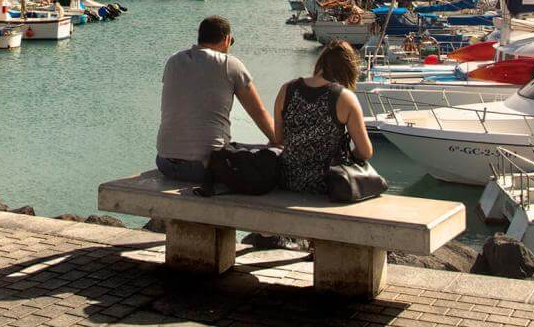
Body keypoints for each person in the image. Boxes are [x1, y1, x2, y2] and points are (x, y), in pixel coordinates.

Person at [156, 15, 276, 182]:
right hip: (206, 167)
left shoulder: (173, 61)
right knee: (272, 153)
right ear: (227, 39)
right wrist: (278, 142)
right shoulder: (229, 64)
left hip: (165, 163)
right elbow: (259, 112)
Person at [273, 40, 374, 194]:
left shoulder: (287, 89)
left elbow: (279, 139)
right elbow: (365, 152)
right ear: (349, 70)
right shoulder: (344, 97)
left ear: (320, 63)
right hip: (328, 184)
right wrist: (348, 156)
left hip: (288, 180)